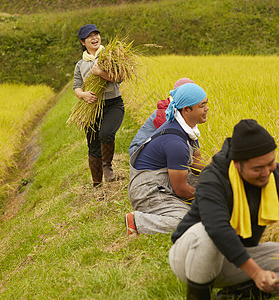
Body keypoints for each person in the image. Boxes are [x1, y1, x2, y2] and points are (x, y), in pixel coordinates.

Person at [169, 119, 279, 300]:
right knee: (205, 233)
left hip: (240, 255)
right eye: (257, 168)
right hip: (190, 258)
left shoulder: (275, 175)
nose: (266, 173)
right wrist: (256, 273)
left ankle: (243, 292)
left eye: (271, 163)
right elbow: (218, 229)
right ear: (237, 164)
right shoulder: (213, 178)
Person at [125, 83, 209, 236]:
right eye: (202, 105)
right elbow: (181, 189)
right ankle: (137, 221)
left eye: (206, 104)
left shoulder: (188, 129)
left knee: (212, 185)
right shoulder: (175, 142)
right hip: (148, 191)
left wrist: (221, 172)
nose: (207, 108)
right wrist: (209, 198)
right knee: (192, 222)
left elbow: (197, 163)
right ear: (186, 110)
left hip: (166, 181)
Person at [73, 24, 125, 187]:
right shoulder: (80, 64)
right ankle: (97, 184)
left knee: (106, 133)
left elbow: (120, 77)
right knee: (93, 145)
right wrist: (83, 95)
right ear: (83, 42)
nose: (94, 38)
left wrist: (100, 73)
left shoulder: (109, 56)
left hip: (113, 104)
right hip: (92, 107)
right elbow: (77, 85)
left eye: (96, 34)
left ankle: (107, 166)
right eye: (90, 36)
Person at [128, 78, 195, 157]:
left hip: (150, 149)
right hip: (138, 152)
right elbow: (171, 141)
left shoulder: (179, 109)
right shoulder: (167, 113)